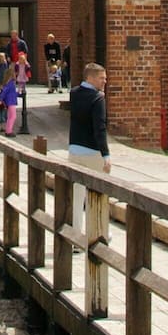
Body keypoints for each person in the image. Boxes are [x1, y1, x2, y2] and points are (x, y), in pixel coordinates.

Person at [69, 63, 112, 263]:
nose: (105, 81)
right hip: (93, 152)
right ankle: (100, 235)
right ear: (92, 78)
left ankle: (76, 240)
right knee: (99, 195)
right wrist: (106, 155)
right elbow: (99, 128)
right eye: (102, 78)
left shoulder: (74, 94)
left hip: (75, 150)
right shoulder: (98, 98)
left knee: (76, 197)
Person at [0, 70, 21, 137]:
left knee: (10, 117)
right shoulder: (11, 83)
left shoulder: (8, 83)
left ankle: (8, 130)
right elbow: (5, 92)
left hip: (9, 101)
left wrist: (17, 93)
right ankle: (9, 131)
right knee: (13, 116)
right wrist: (0, 99)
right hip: (11, 101)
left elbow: (6, 92)